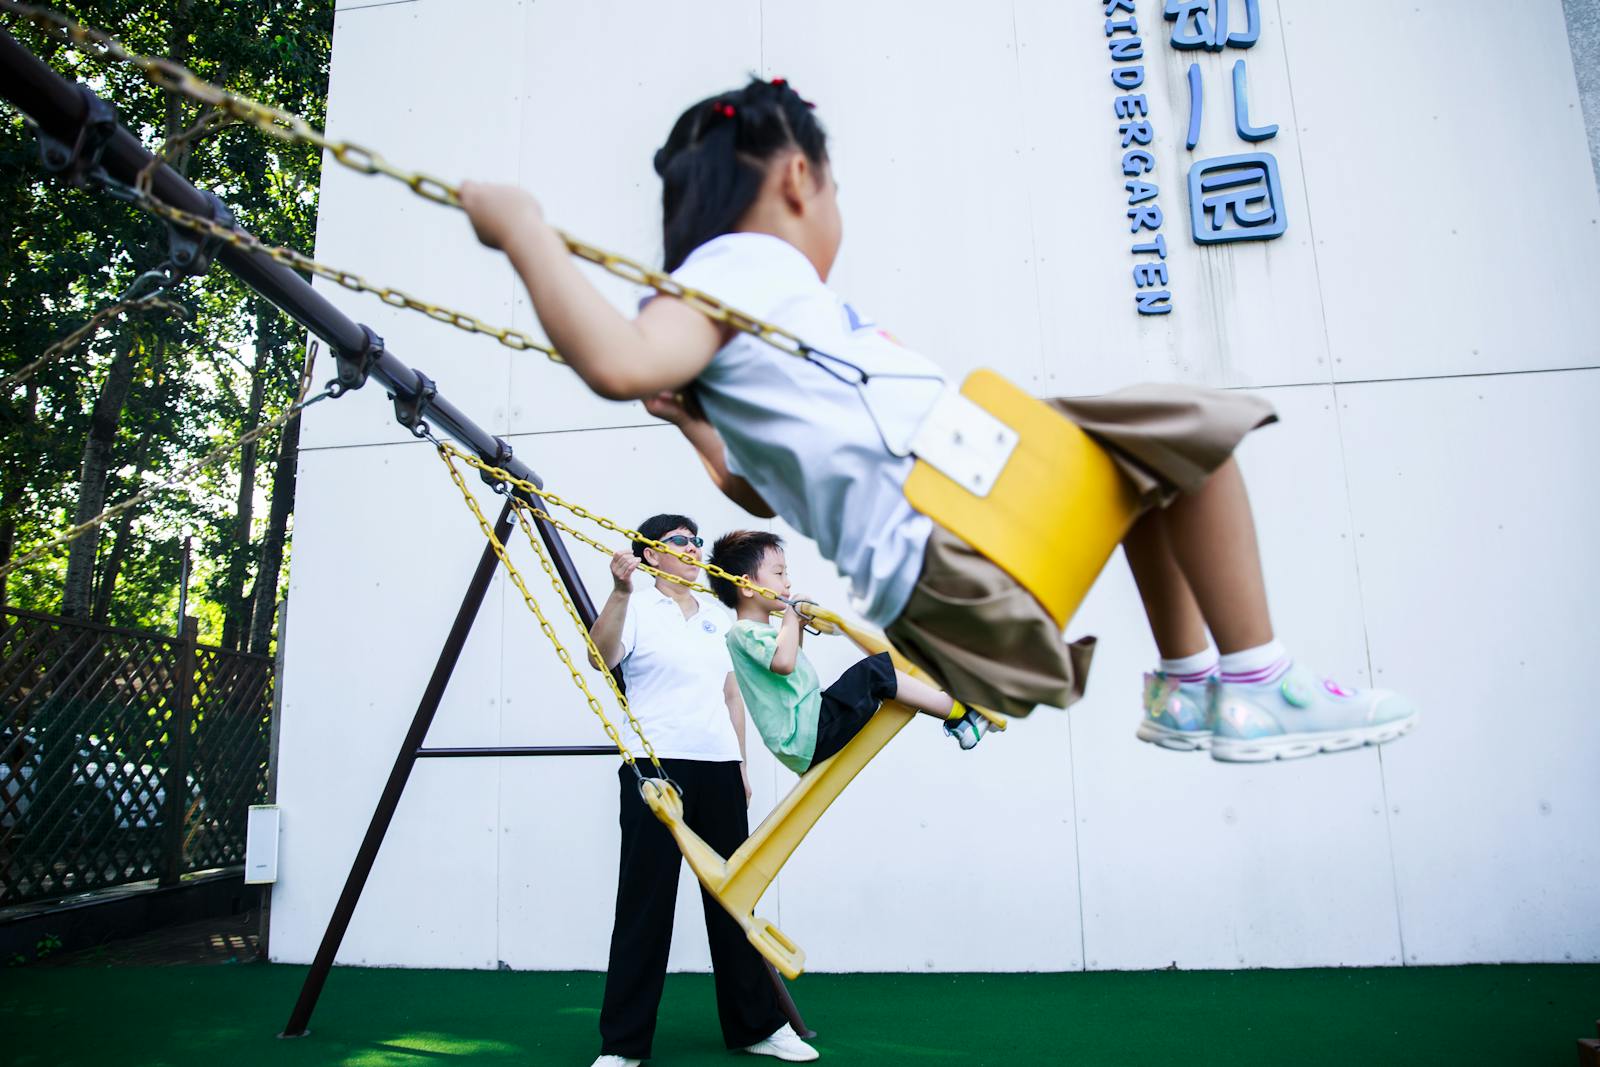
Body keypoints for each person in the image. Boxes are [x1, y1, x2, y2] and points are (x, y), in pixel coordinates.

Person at [459, 77, 1418, 764]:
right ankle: (1254, 679)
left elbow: (758, 487)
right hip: (960, 547)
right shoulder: (742, 271)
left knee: (1149, 466)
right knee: (1194, 426)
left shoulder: (751, 338)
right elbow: (616, 362)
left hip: (952, 586)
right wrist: (523, 230)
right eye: (831, 191)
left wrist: (694, 429)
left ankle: (1187, 684)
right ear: (798, 178)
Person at [586, 513, 817, 1066]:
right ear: (650, 556)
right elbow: (601, 656)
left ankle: (757, 1026)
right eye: (677, 541)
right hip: (653, 768)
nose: (692, 546)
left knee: (734, 901)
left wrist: (740, 765)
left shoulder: (721, 618)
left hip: (717, 767)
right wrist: (619, 592)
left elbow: (732, 696)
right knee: (646, 904)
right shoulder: (636, 607)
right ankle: (622, 1045)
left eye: (695, 539)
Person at [708, 529, 991, 772]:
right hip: (805, 735)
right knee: (875, 671)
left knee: (880, 673)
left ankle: (953, 713)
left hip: (808, 728)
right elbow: (784, 664)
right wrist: (793, 618)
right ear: (746, 586)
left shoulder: (767, 631)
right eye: (779, 573)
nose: (788, 582)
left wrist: (798, 625)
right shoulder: (742, 632)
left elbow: (788, 666)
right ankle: (958, 714)